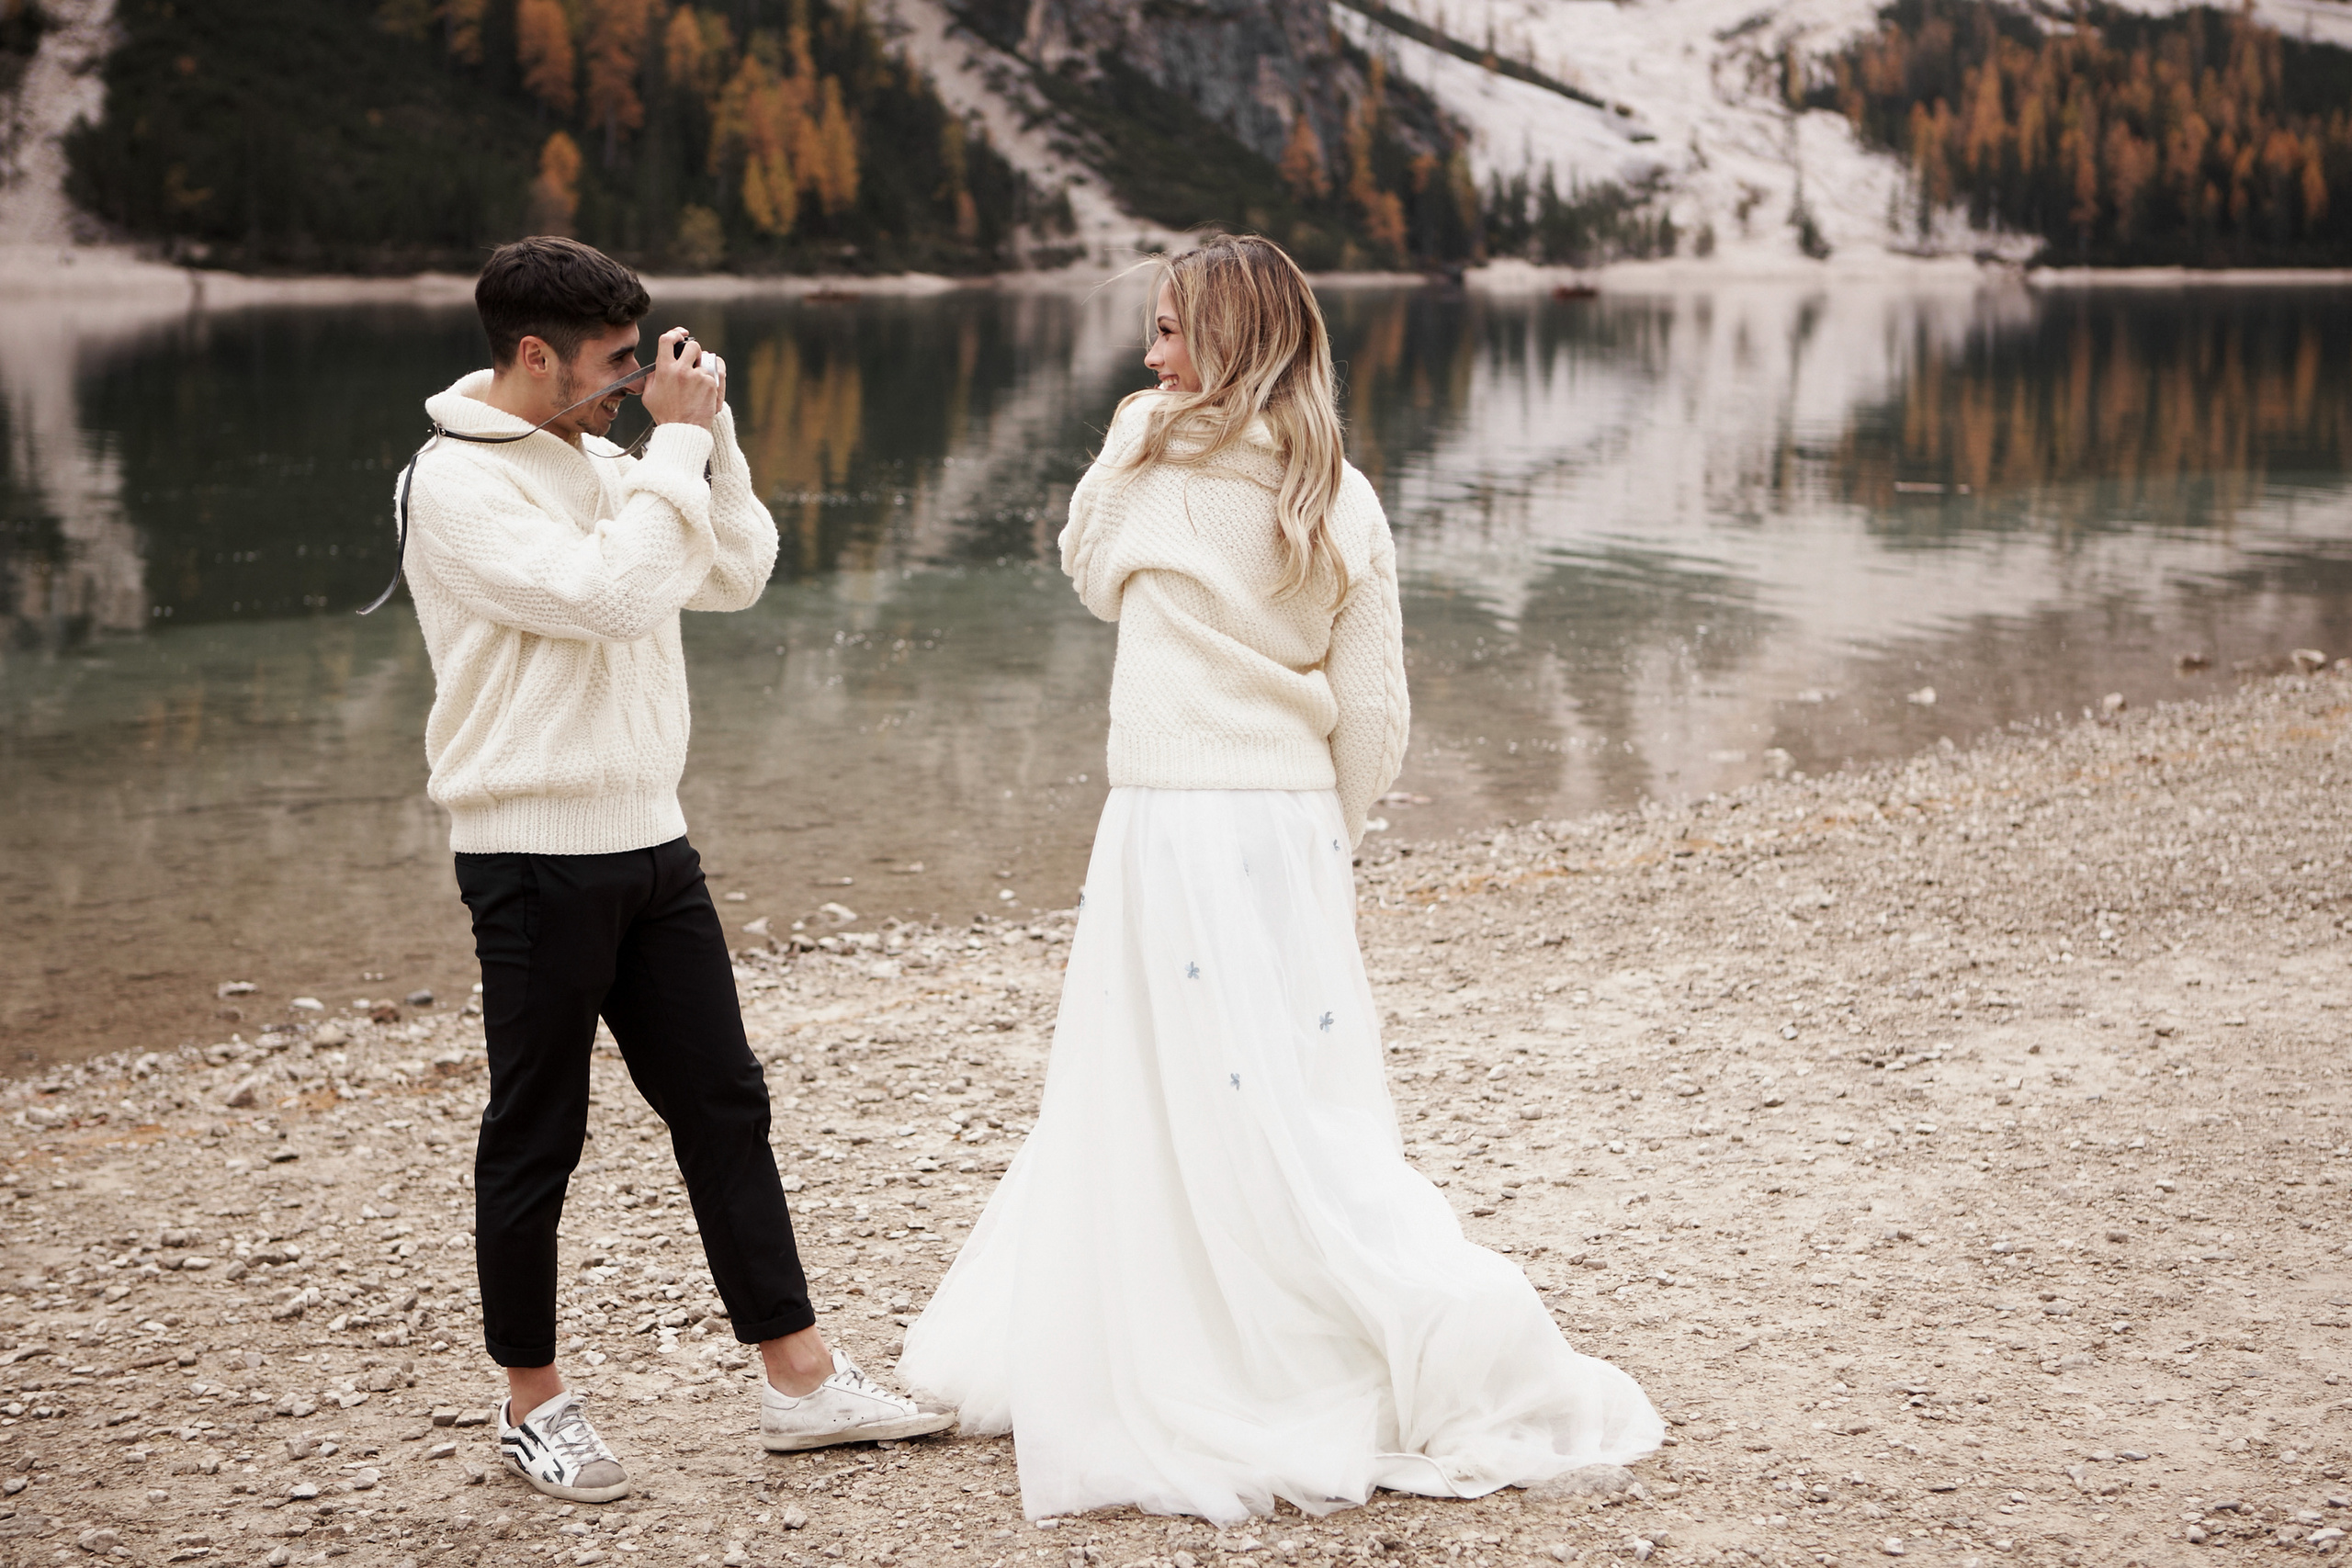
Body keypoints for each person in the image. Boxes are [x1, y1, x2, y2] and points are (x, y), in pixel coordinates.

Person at [898, 234, 1663, 1522]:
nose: (1150, 357)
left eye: (1169, 333)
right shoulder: (1340, 491)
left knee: (1164, 1087)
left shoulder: (1149, 466)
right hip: (1287, 824)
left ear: (1229, 343)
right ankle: (1346, 1317)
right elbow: (1377, 708)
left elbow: (1087, 574)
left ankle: (1209, 1340)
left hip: (1168, 820)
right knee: (1295, 1099)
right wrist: (1326, 835)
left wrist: (1129, 432)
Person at [403, 236, 949, 1505]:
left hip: (652, 841)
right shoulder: (454, 485)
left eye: (641, 363)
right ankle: (531, 1404)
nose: (628, 384)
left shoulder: (608, 456)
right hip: (529, 856)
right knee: (539, 1133)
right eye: (609, 365)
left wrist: (716, 441)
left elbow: (738, 574)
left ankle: (802, 1382)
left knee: (725, 1109)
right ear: (532, 354)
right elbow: (610, 600)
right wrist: (678, 453)